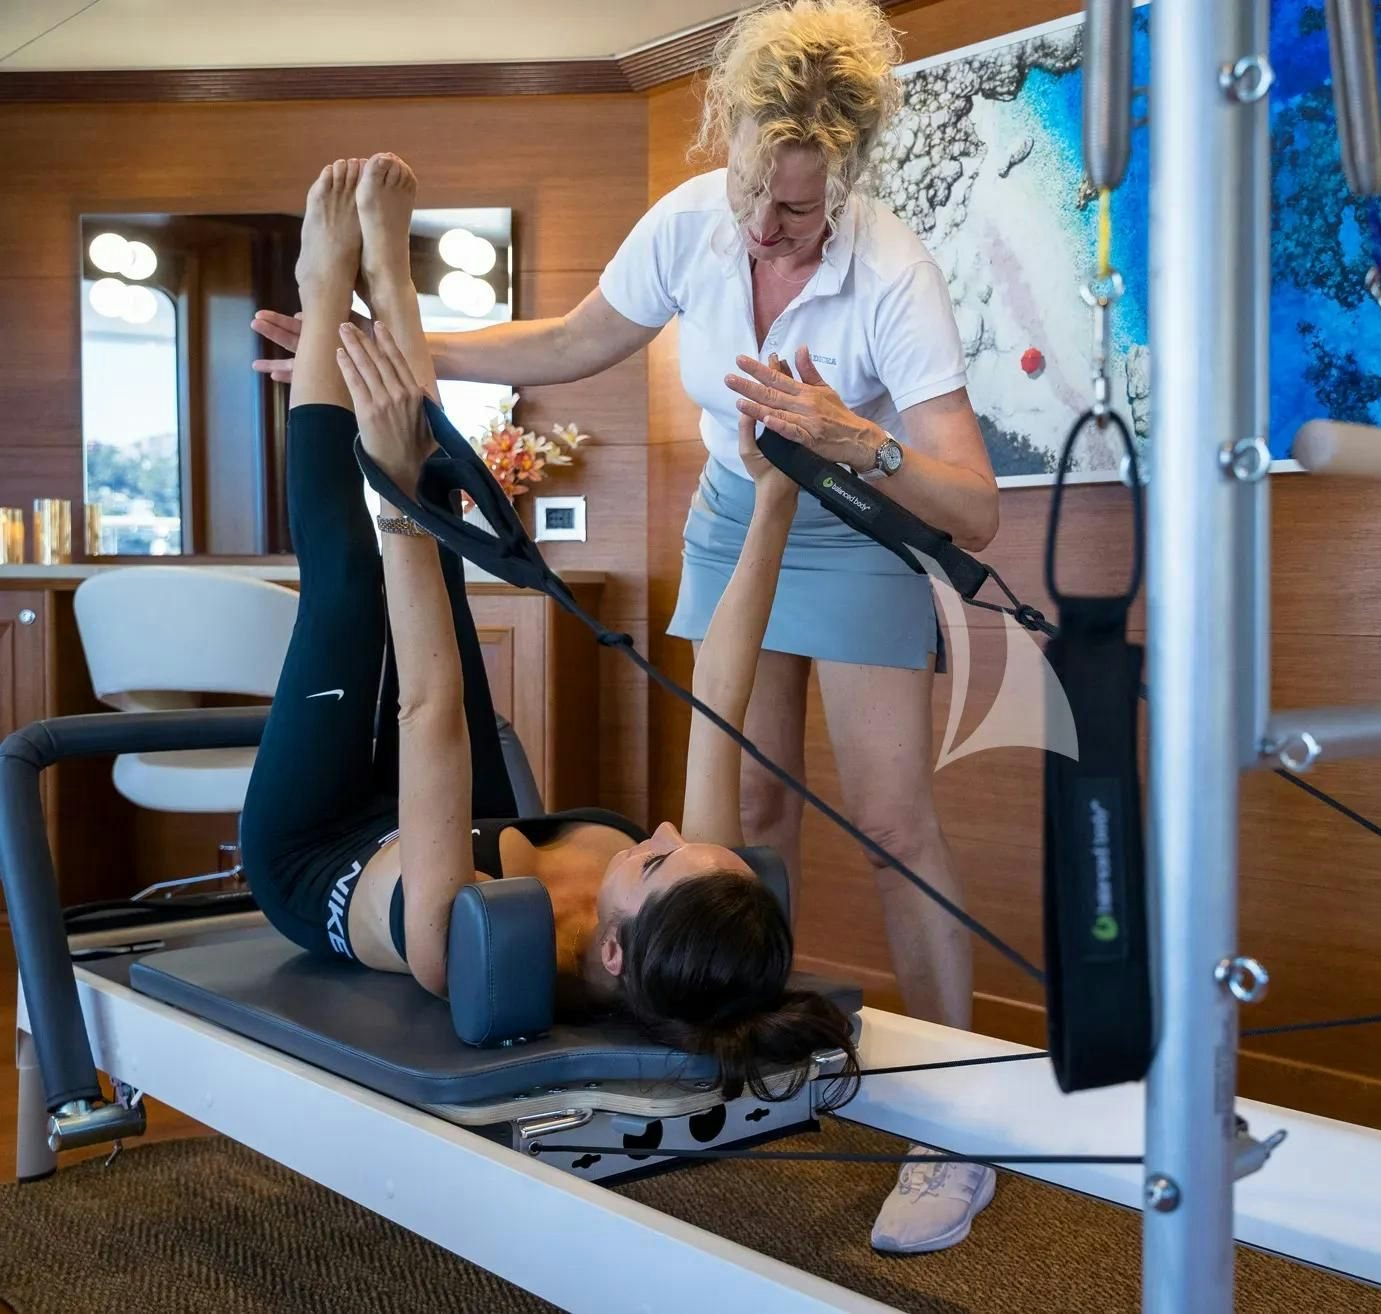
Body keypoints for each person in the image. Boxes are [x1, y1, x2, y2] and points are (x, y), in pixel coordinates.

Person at [252, 1, 1000, 1254]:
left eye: (799, 209)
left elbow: (970, 508)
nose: (766, 226)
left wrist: (847, 442)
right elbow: (574, 340)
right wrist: (401, 350)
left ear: (849, 181)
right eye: (758, 190)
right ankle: (710, 1000)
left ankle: (954, 1132)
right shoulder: (695, 222)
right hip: (743, 503)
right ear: (739, 150)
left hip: (853, 507)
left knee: (891, 820)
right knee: (746, 820)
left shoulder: (895, 271)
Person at [239, 152, 856, 1113]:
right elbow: (721, 696)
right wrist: (778, 496)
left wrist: (394, 495)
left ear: (612, 950)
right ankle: (392, 274)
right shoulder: (697, 905)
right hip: (471, 820)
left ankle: (326, 292)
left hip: (320, 849)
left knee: (354, 580)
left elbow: (431, 707)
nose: (660, 829)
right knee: (439, 539)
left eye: (652, 856)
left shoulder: (467, 949)